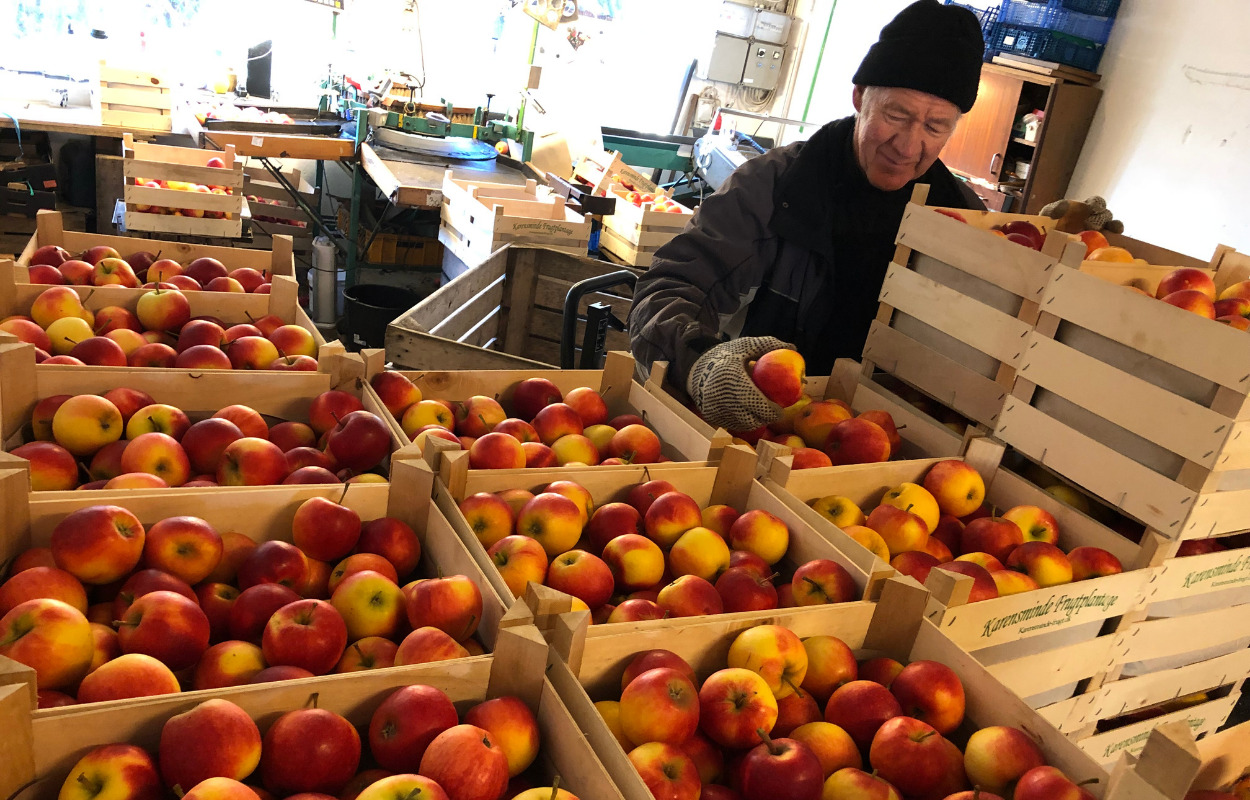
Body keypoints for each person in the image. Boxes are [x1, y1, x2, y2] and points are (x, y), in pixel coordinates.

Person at [628, 0, 987, 434]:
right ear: (859, 98)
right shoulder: (776, 187)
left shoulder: (967, 224)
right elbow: (668, 288)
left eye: (935, 127)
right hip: (760, 425)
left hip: (900, 455)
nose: (908, 147)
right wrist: (702, 363)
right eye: (897, 115)